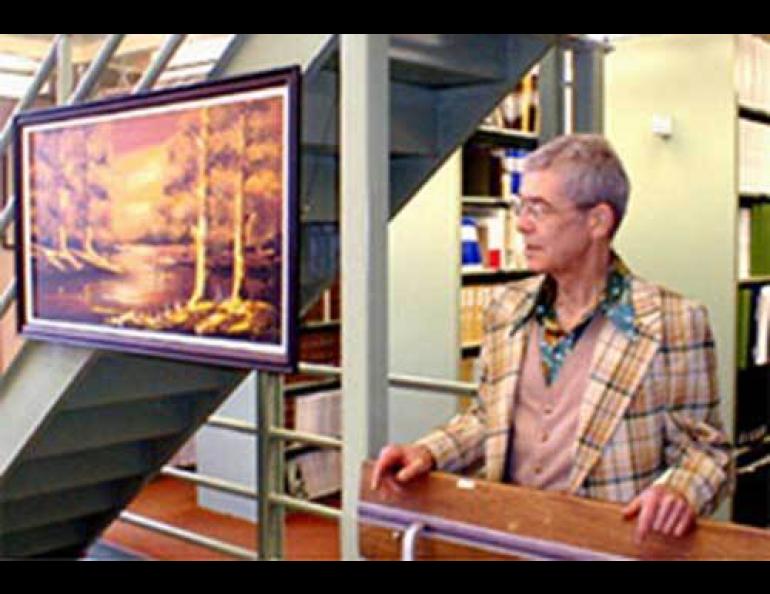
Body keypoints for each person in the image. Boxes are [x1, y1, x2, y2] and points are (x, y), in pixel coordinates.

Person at [372, 134, 734, 543]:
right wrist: (430, 452)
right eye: (521, 206)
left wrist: (679, 490)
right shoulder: (507, 307)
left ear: (598, 220)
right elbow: (485, 419)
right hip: (509, 541)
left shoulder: (674, 322)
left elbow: (708, 453)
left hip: (611, 549)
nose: (522, 224)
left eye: (539, 209)